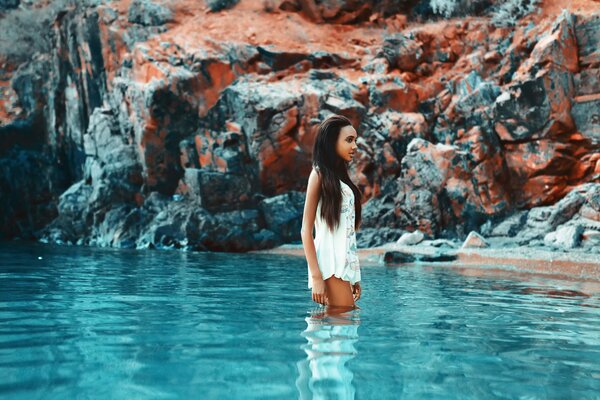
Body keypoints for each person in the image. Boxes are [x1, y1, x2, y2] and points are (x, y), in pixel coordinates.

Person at [300, 114, 362, 309]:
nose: (355, 146)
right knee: (346, 322)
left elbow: (346, 234)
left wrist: (354, 275)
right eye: (349, 140)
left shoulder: (340, 180)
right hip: (329, 267)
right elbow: (305, 230)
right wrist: (317, 277)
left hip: (342, 269)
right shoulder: (318, 175)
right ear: (331, 142)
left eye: (355, 140)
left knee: (340, 328)